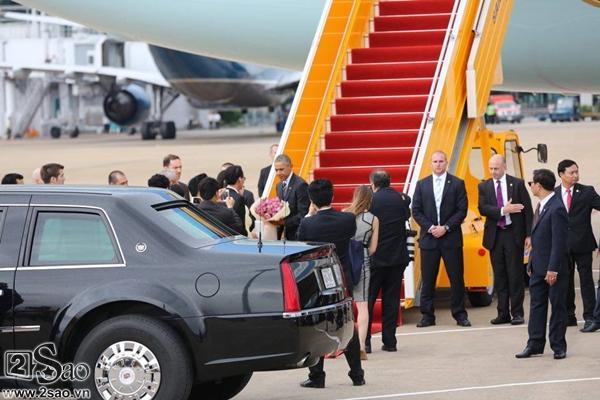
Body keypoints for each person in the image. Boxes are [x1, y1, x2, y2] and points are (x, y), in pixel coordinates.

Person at [297, 179, 364, 388]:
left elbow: (301, 241)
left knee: (315, 326)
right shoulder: (347, 219)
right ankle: (357, 374)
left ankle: (317, 376)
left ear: (311, 200)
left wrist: (309, 215)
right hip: (341, 276)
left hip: (317, 279)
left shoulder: (308, 223)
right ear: (332, 196)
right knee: (348, 324)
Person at [412, 151, 471, 327]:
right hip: (429, 239)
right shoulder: (422, 184)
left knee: (456, 278)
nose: (438, 164)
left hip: (451, 238)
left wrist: (445, 227)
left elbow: (462, 210)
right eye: (435, 161)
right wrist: (431, 228)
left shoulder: (457, 183)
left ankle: (460, 315)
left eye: (441, 161)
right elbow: (416, 210)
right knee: (428, 279)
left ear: (446, 163)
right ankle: (427, 316)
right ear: (431, 163)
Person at [516, 169, 569, 360]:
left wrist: (552, 269)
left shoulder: (557, 208)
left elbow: (559, 242)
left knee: (557, 307)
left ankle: (558, 346)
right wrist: (531, 263)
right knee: (537, 306)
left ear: (539, 185)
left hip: (553, 269)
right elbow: (536, 239)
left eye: (532, 183)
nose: (530, 186)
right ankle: (534, 344)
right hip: (538, 267)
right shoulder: (541, 206)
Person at [478, 155, 533, 325]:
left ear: (504, 167)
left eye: (496, 168)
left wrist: (529, 235)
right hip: (495, 236)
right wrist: (503, 210)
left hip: (513, 235)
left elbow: (528, 210)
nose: (493, 171)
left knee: (515, 275)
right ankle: (503, 313)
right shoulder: (484, 186)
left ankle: (517, 313)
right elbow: (483, 208)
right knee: (500, 276)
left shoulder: (517, 184)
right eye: (491, 168)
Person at [365, 170, 411, 353]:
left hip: (375, 258)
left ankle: (365, 342)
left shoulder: (371, 200)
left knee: (368, 300)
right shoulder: (400, 199)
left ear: (373, 184)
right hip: (397, 257)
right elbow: (406, 214)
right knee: (391, 300)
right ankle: (390, 342)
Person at [554, 159, 600, 329]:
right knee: (565, 282)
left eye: (576, 172)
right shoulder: (554, 193)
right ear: (561, 174)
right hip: (562, 246)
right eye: (571, 172)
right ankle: (569, 315)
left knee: (586, 281)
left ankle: (590, 317)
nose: (575, 175)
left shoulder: (587, 191)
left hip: (583, 244)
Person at [343, 185, 379, 360]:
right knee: (362, 305)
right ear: (370, 199)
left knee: (343, 304)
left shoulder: (345, 214)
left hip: (344, 260)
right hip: (362, 259)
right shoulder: (373, 219)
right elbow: (373, 248)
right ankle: (361, 345)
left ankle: (339, 345)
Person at [274, 154, 309, 240]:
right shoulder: (279, 186)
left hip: (298, 234)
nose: (278, 173)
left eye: (281, 169)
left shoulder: (301, 184)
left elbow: (303, 213)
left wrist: (285, 222)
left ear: (290, 166)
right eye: (276, 170)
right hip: (285, 235)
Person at [220, 165, 249, 236]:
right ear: (239, 179)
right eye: (243, 178)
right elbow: (240, 223)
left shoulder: (220, 194)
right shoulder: (238, 198)